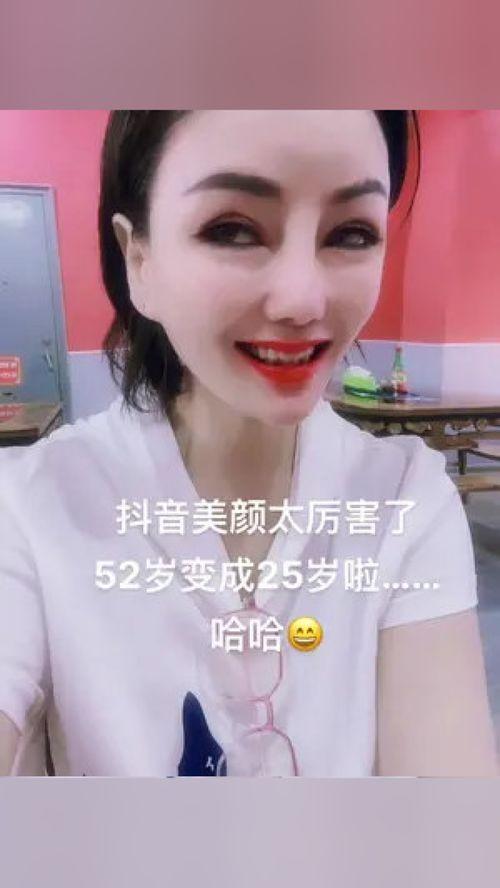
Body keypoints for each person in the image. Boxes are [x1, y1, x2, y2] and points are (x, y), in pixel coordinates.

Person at [0, 110, 497, 777]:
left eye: (350, 233)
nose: (302, 300)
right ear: (138, 259)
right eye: (232, 229)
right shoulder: (29, 506)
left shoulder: (406, 501)